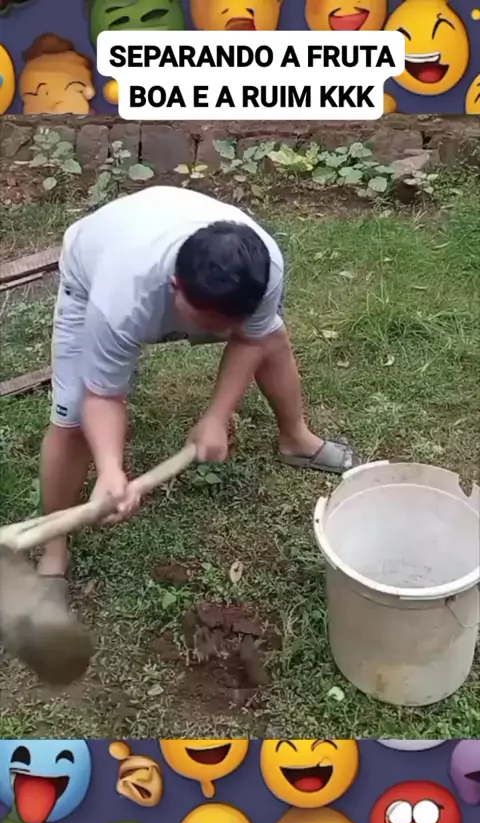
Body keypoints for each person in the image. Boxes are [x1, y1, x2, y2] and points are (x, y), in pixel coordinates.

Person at [38, 186, 358, 593]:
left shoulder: (263, 269)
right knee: (71, 420)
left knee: (272, 339)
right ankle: (53, 547)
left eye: (230, 321)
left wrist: (216, 417)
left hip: (161, 237)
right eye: (209, 321)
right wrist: (111, 468)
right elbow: (102, 396)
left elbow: (252, 338)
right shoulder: (120, 297)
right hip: (95, 262)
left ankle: (296, 439)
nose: (221, 332)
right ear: (175, 287)